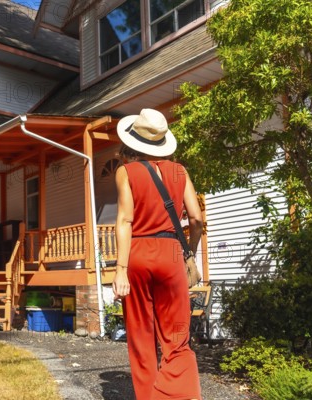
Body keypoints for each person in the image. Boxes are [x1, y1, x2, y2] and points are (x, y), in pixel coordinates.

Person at [112, 108, 203, 400]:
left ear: (135, 140)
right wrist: (190, 252)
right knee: (177, 338)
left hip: (138, 253)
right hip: (172, 254)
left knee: (141, 335)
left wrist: (120, 269)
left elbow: (125, 220)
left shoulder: (126, 172)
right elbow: (197, 219)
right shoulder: (180, 171)